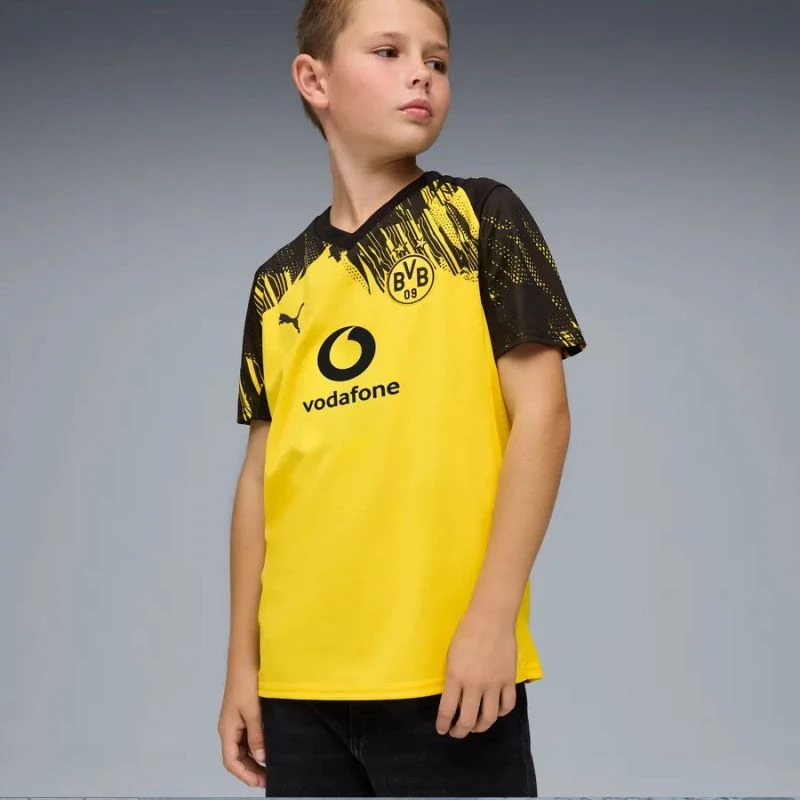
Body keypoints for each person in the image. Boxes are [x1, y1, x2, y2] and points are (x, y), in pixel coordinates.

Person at [217, 0, 588, 796]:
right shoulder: (277, 283)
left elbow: (544, 418)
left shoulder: (482, 218)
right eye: (388, 51)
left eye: (437, 60)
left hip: (447, 670)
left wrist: (492, 619)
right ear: (314, 79)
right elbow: (259, 479)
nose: (421, 73)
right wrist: (243, 665)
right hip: (299, 683)